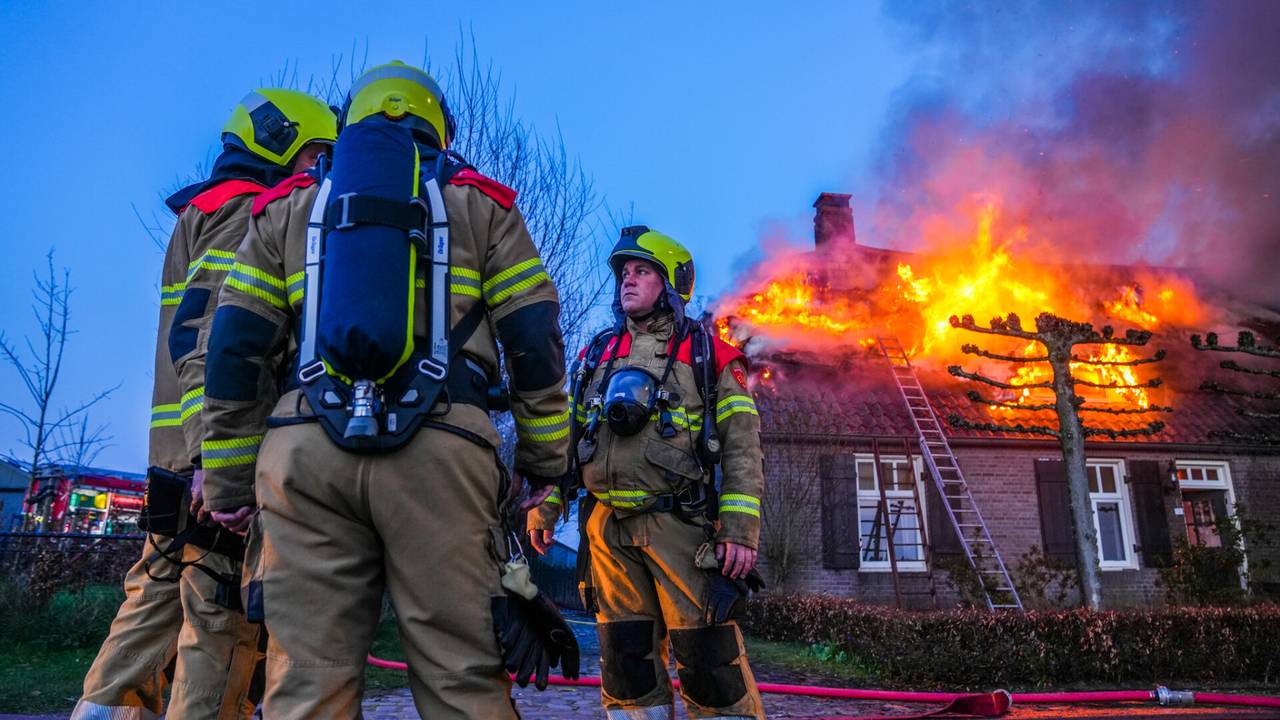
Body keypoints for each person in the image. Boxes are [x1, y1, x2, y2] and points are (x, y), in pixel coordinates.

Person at [200, 61, 574, 719]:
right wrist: (544, 463)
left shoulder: (285, 208)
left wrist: (229, 483)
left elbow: (233, 349)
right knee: (461, 677)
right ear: (439, 128)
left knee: (305, 683)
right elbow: (534, 340)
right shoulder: (484, 206)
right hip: (444, 455)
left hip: (304, 463)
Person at [71, 88, 336, 720]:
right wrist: (215, 462)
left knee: (153, 601)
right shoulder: (249, 211)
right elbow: (214, 338)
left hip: (176, 457)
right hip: (214, 458)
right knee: (220, 617)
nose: (317, 178)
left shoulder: (200, 211)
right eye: (316, 158)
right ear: (283, 144)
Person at [529, 226, 767, 719]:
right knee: (626, 662)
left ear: (672, 283)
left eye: (641, 271)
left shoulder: (711, 356)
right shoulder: (597, 355)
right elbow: (571, 442)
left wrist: (741, 531)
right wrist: (549, 505)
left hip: (680, 529)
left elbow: (743, 449)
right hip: (607, 533)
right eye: (624, 273)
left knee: (709, 662)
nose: (627, 282)